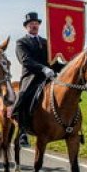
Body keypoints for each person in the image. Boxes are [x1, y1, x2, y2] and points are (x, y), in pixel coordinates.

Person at [12, 12, 55, 146]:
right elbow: (25, 60)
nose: (34, 26)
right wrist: (43, 68)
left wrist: (67, 64)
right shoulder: (21, 42)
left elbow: (53, 61)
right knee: (23, 97)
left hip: (48, 77)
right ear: (26, 26)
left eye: (36, 23)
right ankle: (22, 131)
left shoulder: (46, 42)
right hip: (31, 76)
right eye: (31, 24)